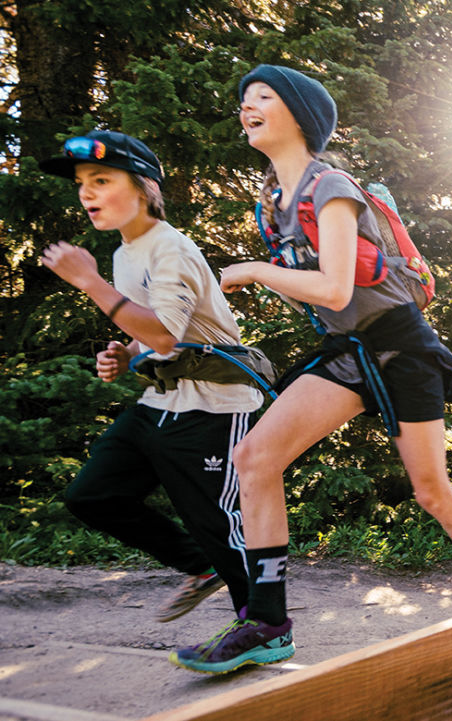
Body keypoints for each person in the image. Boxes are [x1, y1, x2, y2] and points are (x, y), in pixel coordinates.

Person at [170, 64, 452, 674]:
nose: (246, 106)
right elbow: (322, 300)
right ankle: (267, 622)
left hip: (401, 348)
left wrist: (254, 270)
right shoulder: (273, 203)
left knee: (430, 491)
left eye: (263, 97)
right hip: (346, 353)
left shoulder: (329, 185)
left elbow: (333, 288)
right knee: (255, 458)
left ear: (300, 116)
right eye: (244, 99)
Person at [39, 130, 262, 625]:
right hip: (162, 402)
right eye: (81, 182)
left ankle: (261, 626)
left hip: (214, 404)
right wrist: (125, 355)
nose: (86, 192)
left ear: (143, 188)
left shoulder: (171, 249)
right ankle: (199, 567)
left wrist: (90, 283)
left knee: (216, 523)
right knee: (93, 495)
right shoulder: (125, 253)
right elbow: (156, 336)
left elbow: (165, 335)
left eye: (101, 179)